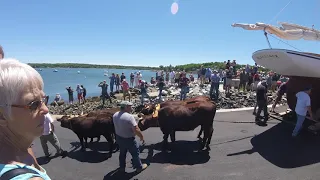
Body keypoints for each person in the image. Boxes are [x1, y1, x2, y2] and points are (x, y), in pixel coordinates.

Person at [0, 59, 51, 179]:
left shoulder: (22, 148)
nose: (46, 110)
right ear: (2, 116)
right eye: (33, 104)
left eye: (43, 100)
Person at [113, 101, 148, 173]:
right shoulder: (129, 117)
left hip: (119, 137)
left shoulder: (115, 114)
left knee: (122, 153)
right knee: (135, 153)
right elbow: (136, 129)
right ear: (126, 107)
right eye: (130, 106)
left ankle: (122, 167)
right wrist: (141, 137)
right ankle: (139, 167)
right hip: (129, 139)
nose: (131, 108)